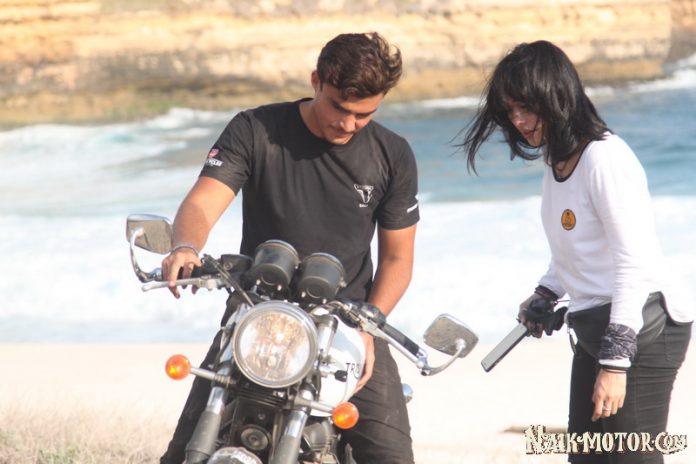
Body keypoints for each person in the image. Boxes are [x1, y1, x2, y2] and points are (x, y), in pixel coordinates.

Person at [159, 32, 419, 464]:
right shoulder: (256, 129)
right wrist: (185, 246)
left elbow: (398, 258)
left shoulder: (393, 155)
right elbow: (203, 201)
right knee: (182, 455)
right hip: (257, 313)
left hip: (345, 323)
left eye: (364, 115)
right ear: (317, 81)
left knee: (392, 457)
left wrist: (369, 327)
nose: (348, 124)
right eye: (339, 107)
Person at [459, 40, 693, 463]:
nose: (518, 121)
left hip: (644, 326)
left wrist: (616, 364)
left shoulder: (605, 159)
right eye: (510, 111)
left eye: (526, 108)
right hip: (595, 327)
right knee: (584, 456)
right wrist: (546, 292)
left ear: (556, 96)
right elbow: (576, 245)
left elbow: (633, 262)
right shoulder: (559, 160)